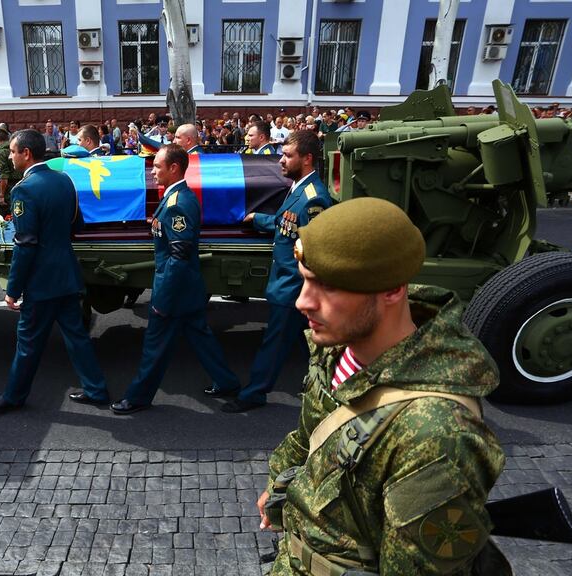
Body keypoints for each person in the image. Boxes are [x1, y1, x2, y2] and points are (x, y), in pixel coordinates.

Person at [259, 197, 507, 575]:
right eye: (306, 280)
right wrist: (280, 483)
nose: (302, 302)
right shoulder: (341, 345)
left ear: (392, 289)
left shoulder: (435, 436)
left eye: (328, 286)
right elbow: (315, 429)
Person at [0, 129, 110, 411]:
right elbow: (78, 225)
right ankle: (97, 390)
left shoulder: (24, 190)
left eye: (13, 152)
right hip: (66, 275)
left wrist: (12, 289)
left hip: (42, 283)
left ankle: (13, 397)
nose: (11, 157)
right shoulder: (64, 180)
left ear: (26, 154)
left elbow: (25, 245)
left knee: (28, 343)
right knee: (77, 338)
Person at [110, 145, 241, 415]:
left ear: (174, 168)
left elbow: (178, 257)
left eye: (157, 166)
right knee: (201, 337)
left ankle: (138, 397)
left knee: (154, 348)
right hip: (187, 288)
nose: (153, 170)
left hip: (174, 291)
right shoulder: (175, 198)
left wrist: (162, 301)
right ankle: (227, 382)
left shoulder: (178, 203)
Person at [222, 131, 335, 413]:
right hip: (286, 284)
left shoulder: (314, 199)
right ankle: (329, 387)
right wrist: (258, 219)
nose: (281, 161)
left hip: (293, 288)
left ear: (307, 159)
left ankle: (254, 393)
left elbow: (314, 252)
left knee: (274, 345)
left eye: (287, 156)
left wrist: (305, 293)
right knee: (309, 345)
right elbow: (287, 223)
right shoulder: (298, 187)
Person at [0, 125, 15, 216]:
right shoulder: (14, 149)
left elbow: (4, 175)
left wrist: (2, 195)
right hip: (18, 185)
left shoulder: (2, 152)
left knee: (1, 218)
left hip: (8, 188)